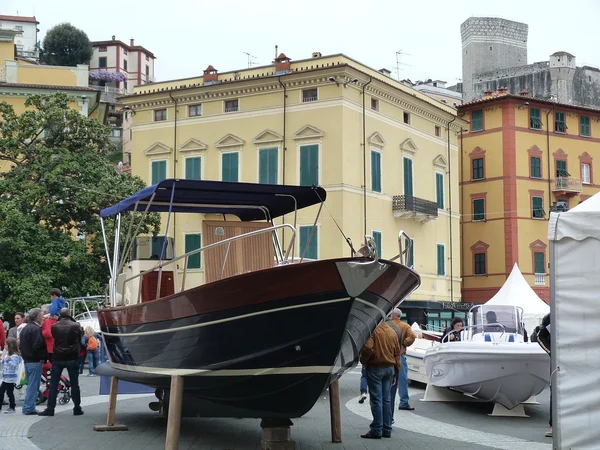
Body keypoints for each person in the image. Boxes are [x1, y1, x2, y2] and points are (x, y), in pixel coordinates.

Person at [359, 322, 400, 439]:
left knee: (376, 399)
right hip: (390, 368)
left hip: (376, 367)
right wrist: (396, 370)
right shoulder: (392, 332)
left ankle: (377, 429)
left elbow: (367, 347)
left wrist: (364, 361)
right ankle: (387, 429)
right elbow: (397, 353)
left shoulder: (373, 331)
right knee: (386, 400)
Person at [39, 308, 83, 416]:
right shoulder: (75, 325)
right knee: (74, 384)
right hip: (72, 357)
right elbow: (79, 339)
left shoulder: (55, 326)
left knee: (53, 384)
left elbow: (54, 338)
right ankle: (77, 407)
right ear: (69, 315)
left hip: (58, 357)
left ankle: (50, 408)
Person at [19, 308, 48, 415]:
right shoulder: (35, 329)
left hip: (27, 359)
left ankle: (28, 406)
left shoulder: (26, 328)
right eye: (41, 316)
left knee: (31, 384)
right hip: (34, 360)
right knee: (33, 385)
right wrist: (42, 357)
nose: (43, 318)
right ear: (38, 317)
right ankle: (29, 407)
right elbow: (38, 345)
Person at [387, 308, 416, 412]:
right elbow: (412, 336)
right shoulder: (405, 326)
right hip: (400, 355)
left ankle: (389, 404)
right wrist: (404, 343)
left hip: (389, 356)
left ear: (393, 316)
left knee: (391, 382)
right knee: (402, 380)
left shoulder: (388, 325)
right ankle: (403, 402)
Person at [534, 313, 551, 438]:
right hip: (560, 360)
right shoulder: (553, 316)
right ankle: (553, 425)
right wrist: (552, 352)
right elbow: (540, 335)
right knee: (557, 391)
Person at [0, 337, 21, 413]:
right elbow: (4, 362)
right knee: (2, 392)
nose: (4, 346)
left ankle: (12, 407)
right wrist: (3, 360)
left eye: (6, 344)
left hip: (10, 378)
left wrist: (8, 360)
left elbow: (14, 365)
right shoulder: (8, 355)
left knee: (9, 392)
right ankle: (10, 406)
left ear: (10, 346)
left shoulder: (14, 356)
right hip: (6, 377)